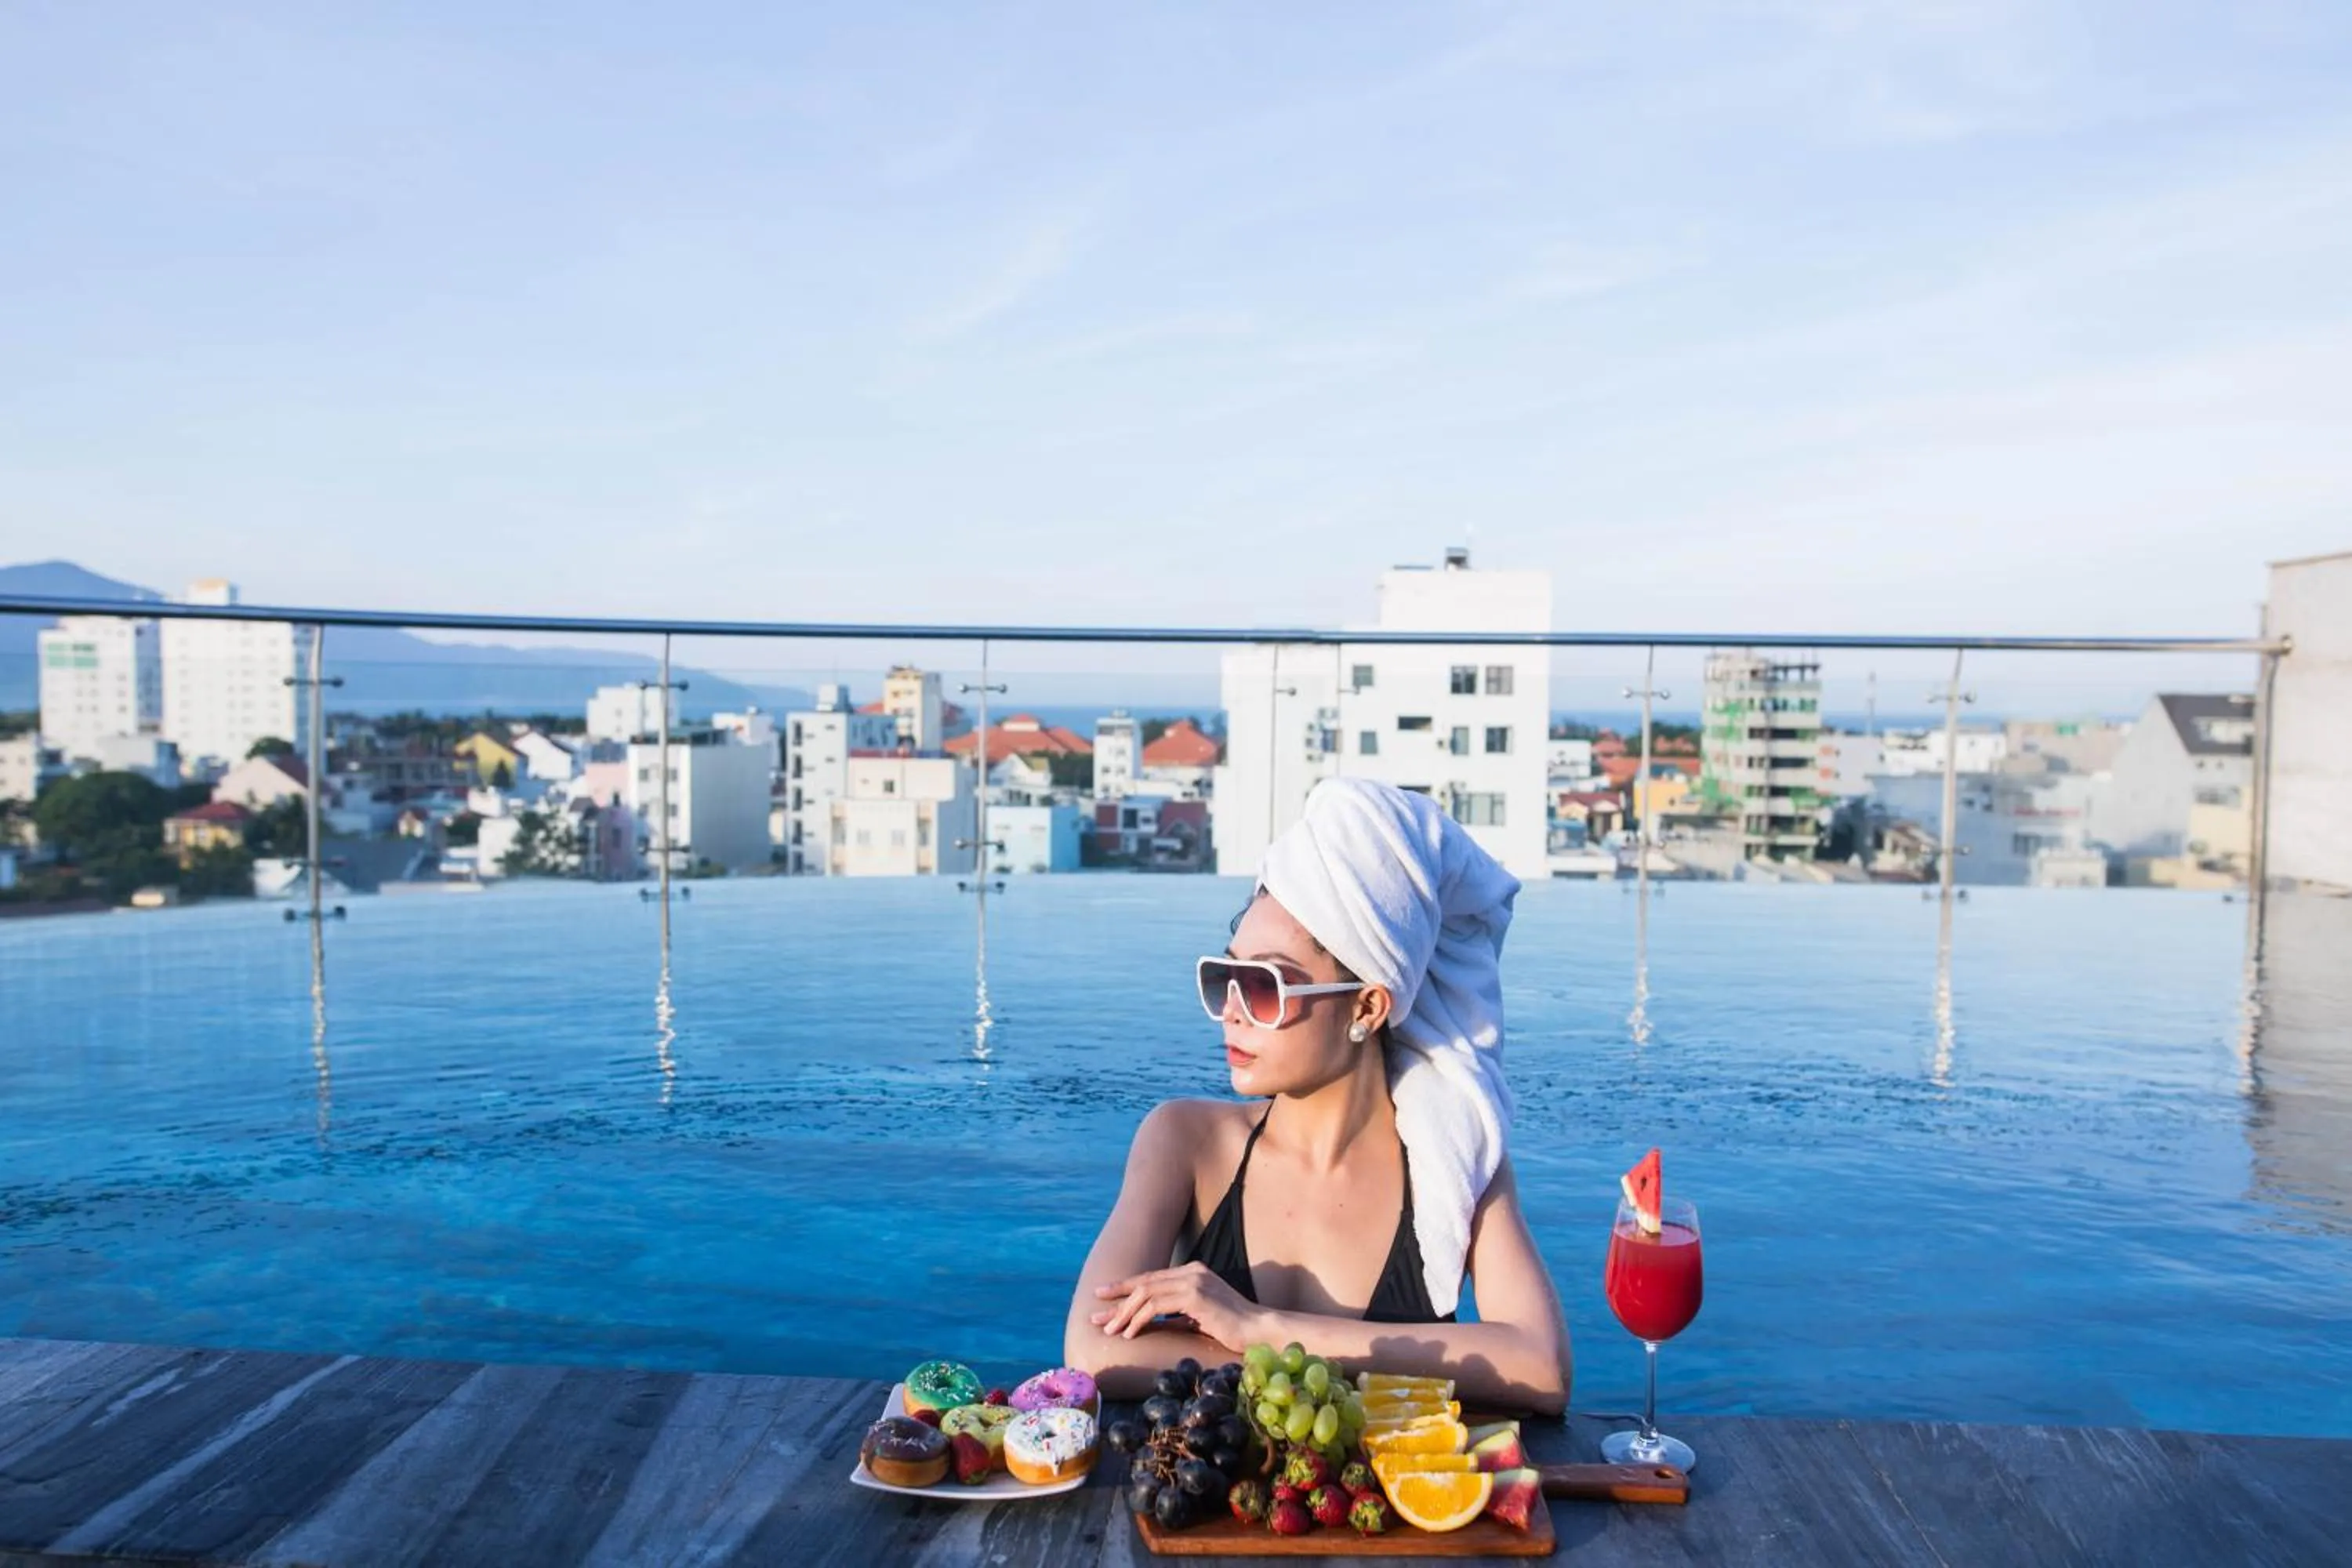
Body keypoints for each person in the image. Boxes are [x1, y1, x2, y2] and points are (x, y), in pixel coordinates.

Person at [1064, 779, 1573, 1411]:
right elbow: (1094, 1352)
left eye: (1264, 986)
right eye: (1224, 977)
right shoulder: (1185, 1140)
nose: (1231, 1011)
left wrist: (1259, 1330)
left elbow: (1543, 1368)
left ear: (1367, 1006)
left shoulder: (1454, 1163)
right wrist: (1342, 1362)